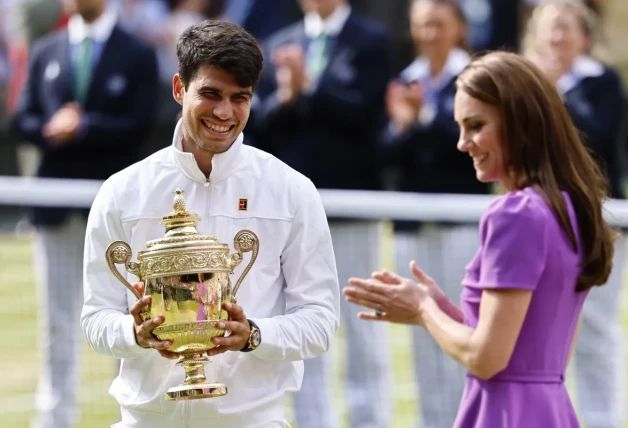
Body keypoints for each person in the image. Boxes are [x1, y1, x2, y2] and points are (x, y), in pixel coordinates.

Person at [80, 20, 340, 428]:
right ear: (179, 89)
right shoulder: (123, 191)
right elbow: (95, 317)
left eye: (240, 98)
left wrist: (253, 334)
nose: (224, 112)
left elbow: (321, 321)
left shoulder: (291, 190)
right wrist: (134, 333)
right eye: (210, 93)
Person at [343, 50, 616, 427]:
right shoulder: (570, 206)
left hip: (504, 413)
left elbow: (488, 359)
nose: (462, 142)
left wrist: (424, 309)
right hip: (550, 410)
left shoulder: (515, 214)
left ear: (519, 123)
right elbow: (530, 349)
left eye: (475, 125)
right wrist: (440, 310)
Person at [12, 0, 158, 426]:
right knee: (56, 322)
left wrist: (86, 126)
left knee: (128, 319)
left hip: (117, 213)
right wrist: (50, 127)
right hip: (55, 208)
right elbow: (22, 117)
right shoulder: (46, 50)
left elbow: (141, 122)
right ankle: (55, 417)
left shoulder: (136, 52)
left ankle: (130, 415)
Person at [251, 1, 393, 427]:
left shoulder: (372, 39)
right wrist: (288, 98)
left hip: (351, 205)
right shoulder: (279, 42)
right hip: (293, 210)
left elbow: (367, 114)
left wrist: (311, 87)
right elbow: (261, 122)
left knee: (362, 327)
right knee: (300, 320)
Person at [380, 1, 490, 425]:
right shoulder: (405, 79)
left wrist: (422, 117)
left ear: (458, 27)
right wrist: (403, 125)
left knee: (464, 323)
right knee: (424, 331)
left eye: (438, 24)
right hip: (413, 223)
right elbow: (386, 154)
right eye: (422, 25)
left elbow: (464, 145)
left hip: (460, 220)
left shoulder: (475, 79)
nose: (429, 33)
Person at [523, 3, 626, 427]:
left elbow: (598, 138)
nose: (557, 39)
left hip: (596, 218)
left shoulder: (601, 82)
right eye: (549, 30)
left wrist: (557, 91)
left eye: (565, 29)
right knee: (546, 331)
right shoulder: (527, 82)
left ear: (584, 36)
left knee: (596, 329)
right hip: (542, 219)